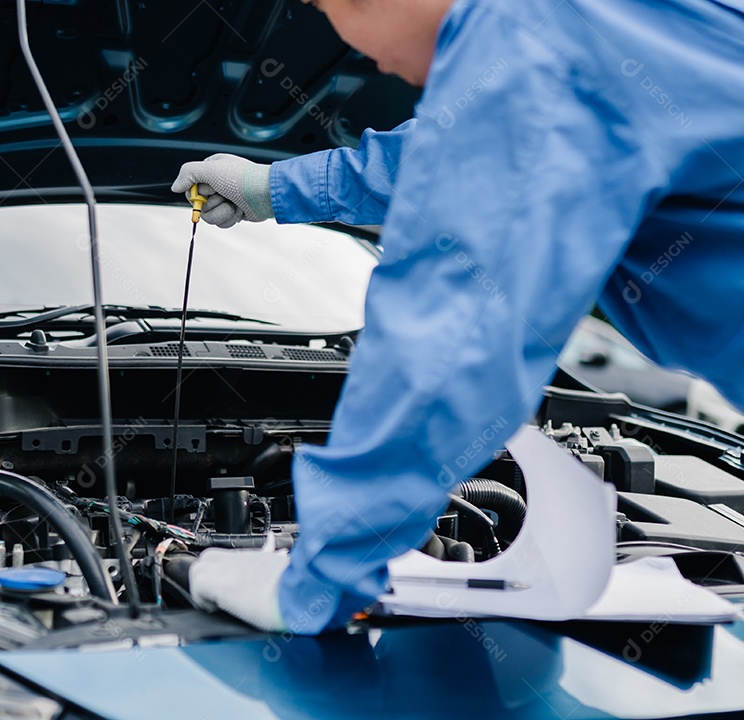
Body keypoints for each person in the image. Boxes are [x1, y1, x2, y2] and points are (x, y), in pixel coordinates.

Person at [175, 0, 744, 634]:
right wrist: (274, 188)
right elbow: (455, 158)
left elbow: (455, 335)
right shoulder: (587, 23)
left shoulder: (534, 35)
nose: (354, 51)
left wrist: (321, 578)